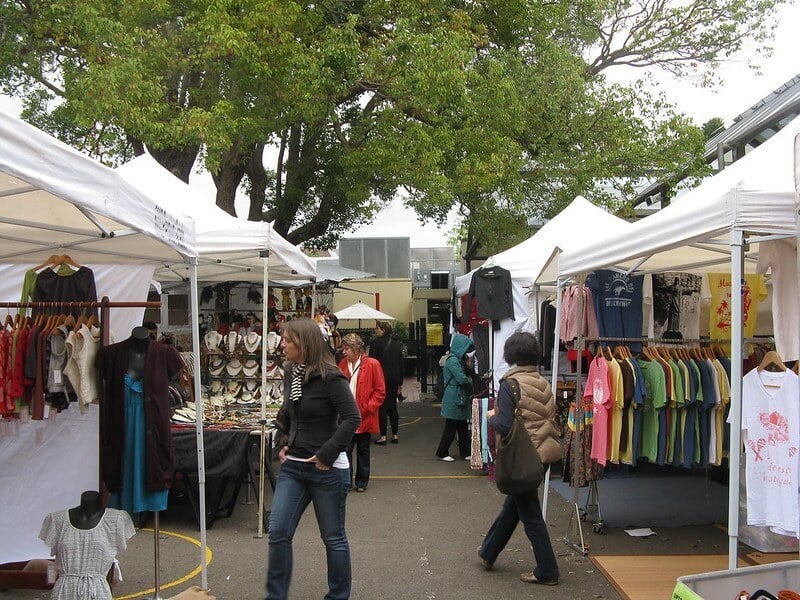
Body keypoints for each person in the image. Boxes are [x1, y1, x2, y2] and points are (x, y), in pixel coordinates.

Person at [266, 318, 361, 600]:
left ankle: (338, 596)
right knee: (278, 532)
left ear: (303, 344)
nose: (282, 344)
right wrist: (283, 441)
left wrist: (326, 454)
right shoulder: (291, 372)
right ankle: (275, 596)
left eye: (287, 340)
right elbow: (288, 412)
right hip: (294, 467)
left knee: (333, 538)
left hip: (327, 471)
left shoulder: (331, 377)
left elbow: (352, 418)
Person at [478, 332, 561, 586]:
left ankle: (547, 570)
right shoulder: (542, 382)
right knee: (515, 505)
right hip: (544, 453)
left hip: (523, 457)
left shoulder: (510, 385)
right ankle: (488, 551)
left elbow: (503, 424)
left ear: (511, 354)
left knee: (530, 514)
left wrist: (490, 415)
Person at [338, 333, 386, 491]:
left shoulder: (373, 364)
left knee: (363, 450)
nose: (343, 352)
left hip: (364, 415)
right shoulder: (342, 365)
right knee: (346, 450)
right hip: (346, 416)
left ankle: (361, 482)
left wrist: (368, 408)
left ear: (355, 349)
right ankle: (346, 480)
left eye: (346, 348)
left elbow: (380, 391)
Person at [435, 332, 475, 461]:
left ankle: (465, 452)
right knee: (452, 426)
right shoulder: (453, 361)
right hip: (455, 397)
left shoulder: (455, 359)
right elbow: (462, 379)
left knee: (460, 425)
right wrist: (470, 378)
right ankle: (442, 452)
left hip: (456, 397)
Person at [369, 322, 404, 445]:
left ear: (383, 330)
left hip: (381, 378)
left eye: (377, 328)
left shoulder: (375, 344)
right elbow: (400, 364)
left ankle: (383, 436)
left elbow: (371, 362)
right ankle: (395, 435)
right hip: (394, 379)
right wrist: (400, 382)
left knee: (382, 408)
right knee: (393, 407)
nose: (375, 330)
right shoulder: (396, 345)